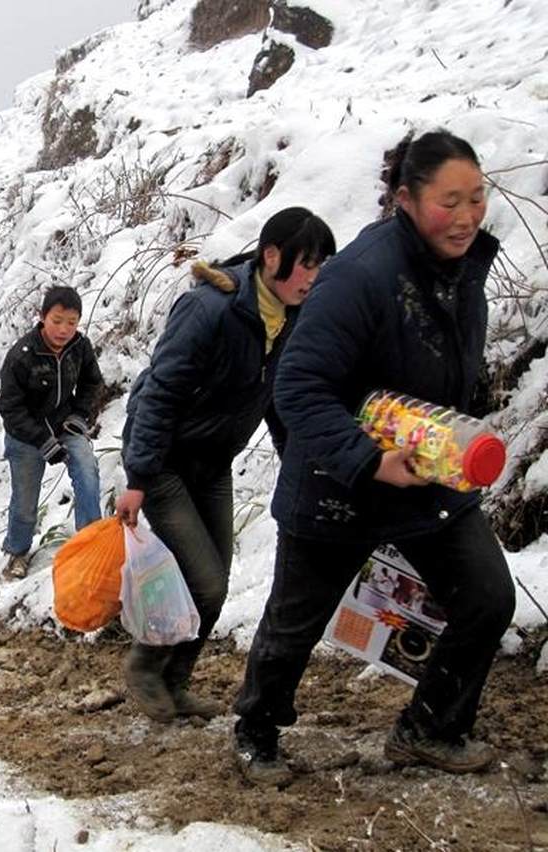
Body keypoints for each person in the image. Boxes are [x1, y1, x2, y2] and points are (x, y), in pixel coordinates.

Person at [232, 129, 515, 786]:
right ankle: (255, 729)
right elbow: (297, 384)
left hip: (425, 471)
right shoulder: (360, 276)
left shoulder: (458, 267)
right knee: (294, 622)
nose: (469, 215)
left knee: (486, 595)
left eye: (477, 197)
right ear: (408, 200)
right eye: (451, 200)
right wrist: (367, 459)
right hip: (340, 479)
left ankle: (429, 727)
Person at [117, 207, 336, 721]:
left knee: (217, 584)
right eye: (306, 265)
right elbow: (160, 392)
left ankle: (176, 681)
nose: (313, 277)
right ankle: (146, 666)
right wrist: (139, 478)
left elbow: (280, 399)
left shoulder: (288, 319)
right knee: (205, 580)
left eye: (320, 266)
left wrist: (299, 464)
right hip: (166, 462)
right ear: (272, 256)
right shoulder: (209, 309)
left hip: (213, 462)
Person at [0, 286, 104, 579]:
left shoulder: (79, 347)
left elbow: (91, 382)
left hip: (65, 425)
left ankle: (91, 545)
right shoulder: (22, 355)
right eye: (57, 320)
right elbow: (10, 409)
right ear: (43, 317)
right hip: (26, 436)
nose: (64, 329)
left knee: (87, 473)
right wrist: (42, 442)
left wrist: (79, 416)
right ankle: (17, 553)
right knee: (25, 501)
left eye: (71, 322)